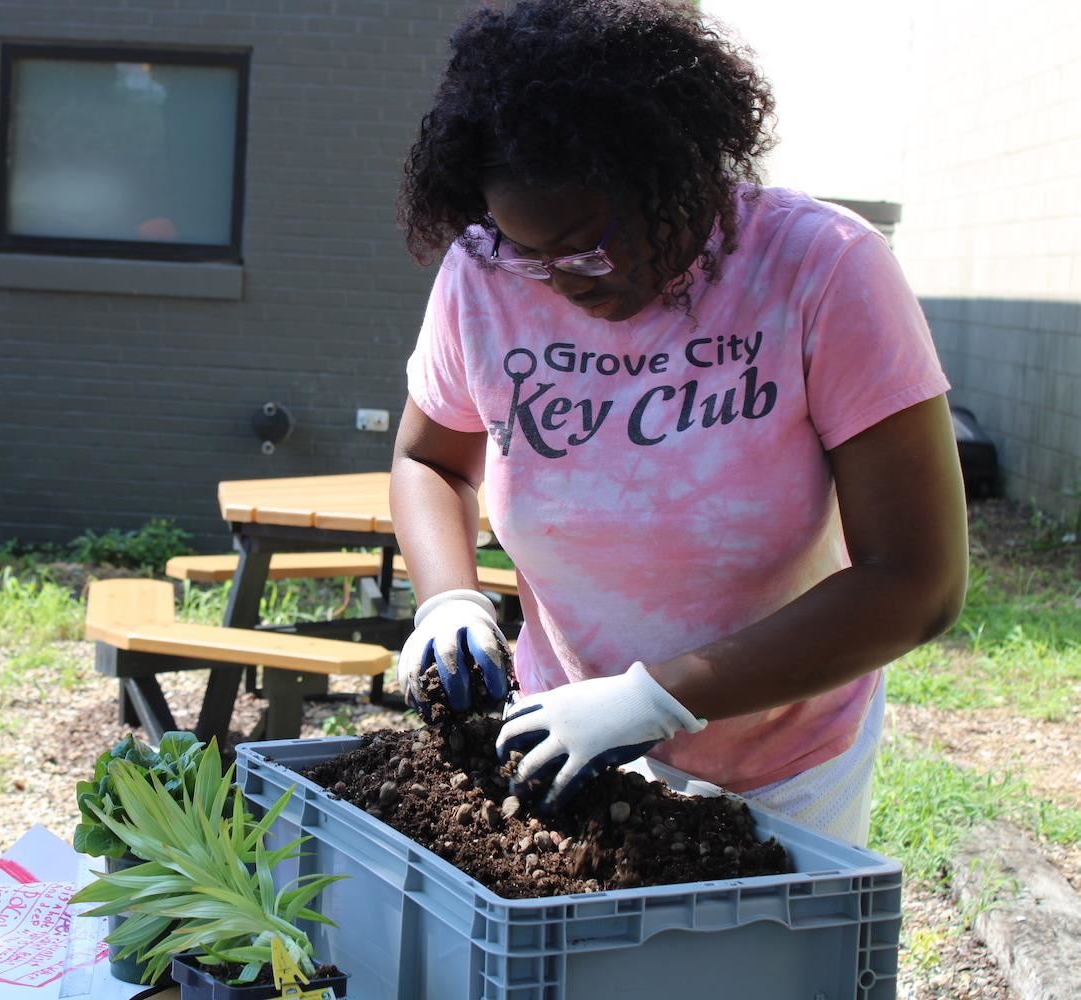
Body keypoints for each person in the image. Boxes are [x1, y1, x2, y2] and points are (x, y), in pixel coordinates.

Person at [390, 0, 969, 847]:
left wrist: (654, 698)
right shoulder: (485, 276)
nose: (561, 282)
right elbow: (431, 460)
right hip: (570, 731)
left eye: (587, 246)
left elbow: (917, 581)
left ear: (676, 175)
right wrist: (447, 600)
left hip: (783, 757)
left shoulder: (820, 271)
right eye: (529, 253)